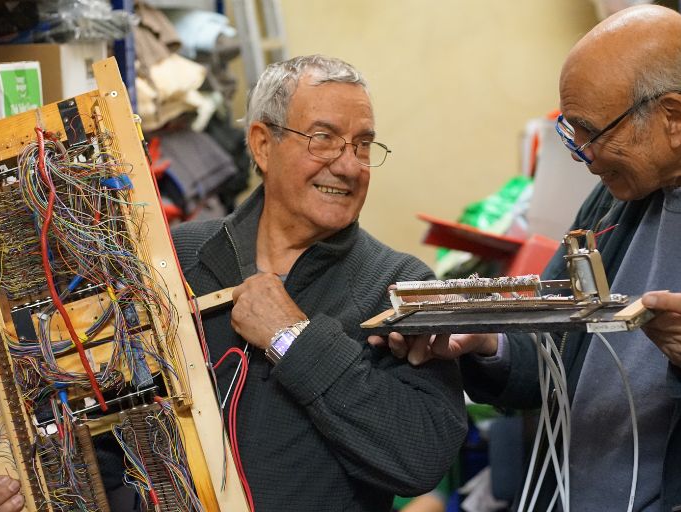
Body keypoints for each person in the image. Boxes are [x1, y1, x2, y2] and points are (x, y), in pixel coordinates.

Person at [371, 5, 681, 511]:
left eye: (590, 132)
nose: (579, 152)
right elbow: (562, 353)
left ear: (674, 118)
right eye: (571, 129)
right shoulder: (618, 197)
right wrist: (491, 341)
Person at [168, 54, 466, 512]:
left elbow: (421, 457)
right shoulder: (176, 258)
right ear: (263, 145)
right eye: (324, 139)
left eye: (363, 145)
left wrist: (294, 340)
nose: (349, 166)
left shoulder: (396, 284)